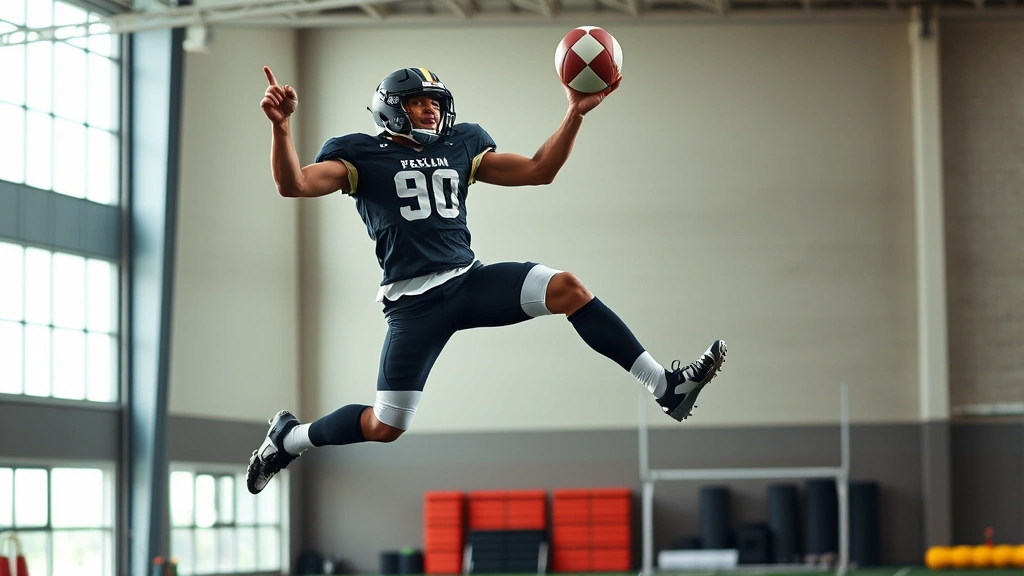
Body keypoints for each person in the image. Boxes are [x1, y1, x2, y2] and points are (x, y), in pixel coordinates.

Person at [246, 65, 727, 495]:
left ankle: (665, 386)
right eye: (418, 102)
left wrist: (575, 113)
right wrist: (281, 129)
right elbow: (294, 185)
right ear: (391, 109)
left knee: (567, 288)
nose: (431, 111)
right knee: (386, 425)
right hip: (414, 305)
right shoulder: (358, 153)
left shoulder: (463, 143)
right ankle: (289, 438)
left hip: (469, 283)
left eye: (436, 103)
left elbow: (540, 171)